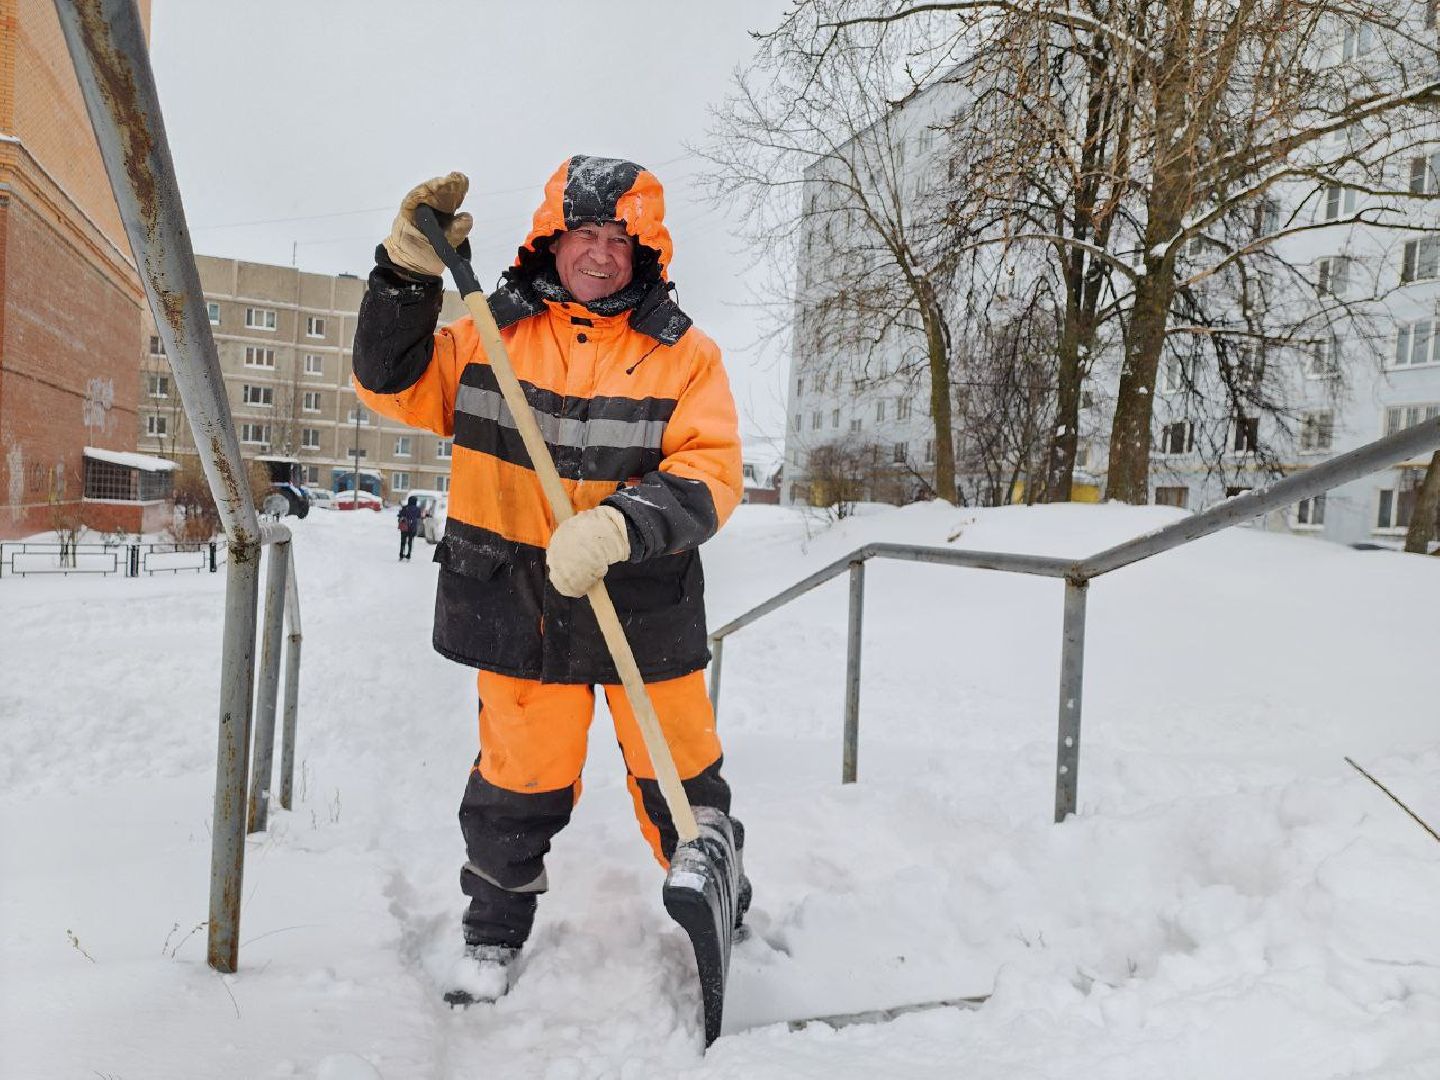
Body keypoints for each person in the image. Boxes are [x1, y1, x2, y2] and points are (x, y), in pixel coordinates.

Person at [351, 157, 750, 1004]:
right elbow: (387, 383)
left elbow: (712, 471)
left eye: (620, 238)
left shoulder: (684, 355)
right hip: (518, 601)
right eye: (585, 234)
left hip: (641, 599)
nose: (601, 254)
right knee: (516, 780)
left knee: (679, 773)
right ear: (552, 238)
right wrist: (403, 281)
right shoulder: (488, 335)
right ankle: (492, 930)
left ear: (646, 251)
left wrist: (620, 525)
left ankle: (724, 903)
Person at [397, 494, 423, 560]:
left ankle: (401, 554)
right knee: (410, 541)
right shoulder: (417, 509)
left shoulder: (405, 508)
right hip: (412, 527)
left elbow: (400, 515)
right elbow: (419, 517)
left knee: (403, 541)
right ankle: (409, 554)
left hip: (404, 527)